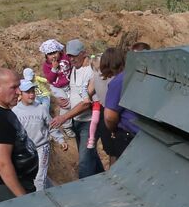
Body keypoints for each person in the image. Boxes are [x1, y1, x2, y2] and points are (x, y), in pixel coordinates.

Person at [0, 69, 38, 202]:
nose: (18, 92)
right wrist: (23, 198)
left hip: (9, 182)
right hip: (8, 186)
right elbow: (3, 164)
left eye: (18, 87)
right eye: (13, 87)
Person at [50, 40, 101, 178]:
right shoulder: (74, 69)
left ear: (83, 53)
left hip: (89, 122)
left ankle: (84, 193)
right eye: (69, 56)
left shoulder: (92, 71)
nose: (71, 59)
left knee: (85, 163)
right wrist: (62, 100)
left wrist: (64, 117)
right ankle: (103, 179)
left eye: (74, 55)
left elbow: (85, 103)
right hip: (77, 121)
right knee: (91, 157)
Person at [12, 79, 55, 190]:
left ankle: (40, 204)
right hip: (25, 150)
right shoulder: (15, 111)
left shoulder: (41, 109)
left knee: (39, 178)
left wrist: (60, 139)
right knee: (33, 176)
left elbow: (51, 124)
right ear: (20, 93)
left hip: (42, 147)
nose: (31, 95)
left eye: (33, 91)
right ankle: (55, 191)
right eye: (28, 92)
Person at [100, 45, 140, 161]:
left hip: (127, 135)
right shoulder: (135, 75)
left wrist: (113, 130)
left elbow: (109, 117)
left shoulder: (117, 82)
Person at [40, 40, 73, 140]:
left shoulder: (65, 58)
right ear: (46, 56)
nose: (53, 56)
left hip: (69, 83)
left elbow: (71, 66)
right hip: (57, 87)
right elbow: (50, 79)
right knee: (65, 104)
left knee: (74, 101)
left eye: (54, 52)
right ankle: (67, 126)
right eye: (50, 54)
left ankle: (74, 119)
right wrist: (54, 69)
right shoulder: (46, 66)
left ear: (59, 51)